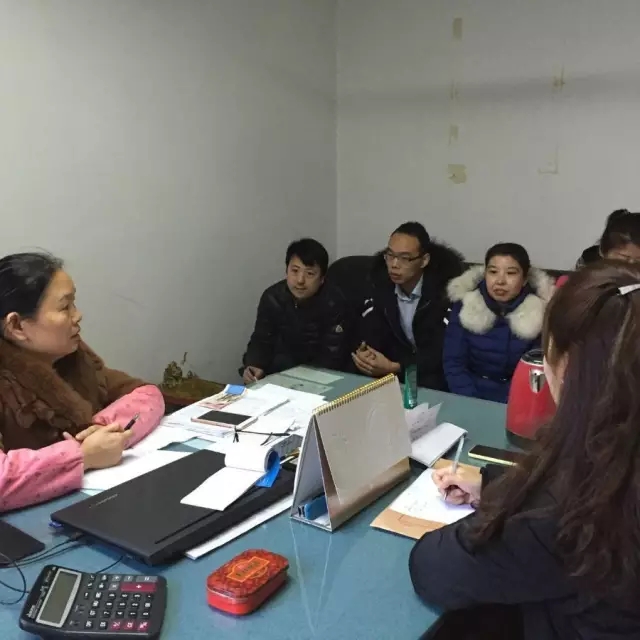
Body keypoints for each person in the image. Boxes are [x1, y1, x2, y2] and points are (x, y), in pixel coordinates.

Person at [409, 261, 640, 639]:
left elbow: (433, 568)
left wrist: (504, 507)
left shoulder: (571, 512)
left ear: (563, 366)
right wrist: (495, 485)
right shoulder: (611, 462)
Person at [0, 252, 164, 513]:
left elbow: (146, 393)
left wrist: (103, 431)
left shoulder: (72, 359)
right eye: (65, 307)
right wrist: (83, 455)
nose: (78, 316)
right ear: (17, 326)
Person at [352, 222, 464, 390]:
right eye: (390, 255)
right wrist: (366, 353)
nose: (394, 264)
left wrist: (397, 367)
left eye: (404, 258)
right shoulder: (379, 285)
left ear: (424, 260)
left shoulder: (447, 293)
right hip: (391, 380)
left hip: (435, 380)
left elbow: (442, 353)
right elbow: (369, 329)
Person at [443, 243, 554, 403]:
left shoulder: (539, 312)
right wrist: (470, 400)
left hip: (517, 396)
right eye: (493, 272)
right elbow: (453, 363)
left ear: (524, 279)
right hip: (468, 393)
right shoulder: (466, 304)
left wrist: (509, 401)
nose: (500, 281)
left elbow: (536, 370)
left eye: (511, 273)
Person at [241, 238, 348, 383]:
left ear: (322, 278)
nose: (300, 280)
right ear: (286, 271)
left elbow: (332, 356)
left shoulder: (335, 302)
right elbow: (261, 339)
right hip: (280, 372)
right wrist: (255, 364)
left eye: (310, 274)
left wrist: (296, 379)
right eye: (295, 271)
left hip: (320, 375)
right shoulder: (272, 297)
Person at [576, 208, 640, 268]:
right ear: (602, 252)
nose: (631, 266)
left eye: (638, 261)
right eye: (625, 258)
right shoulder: (586, 269)